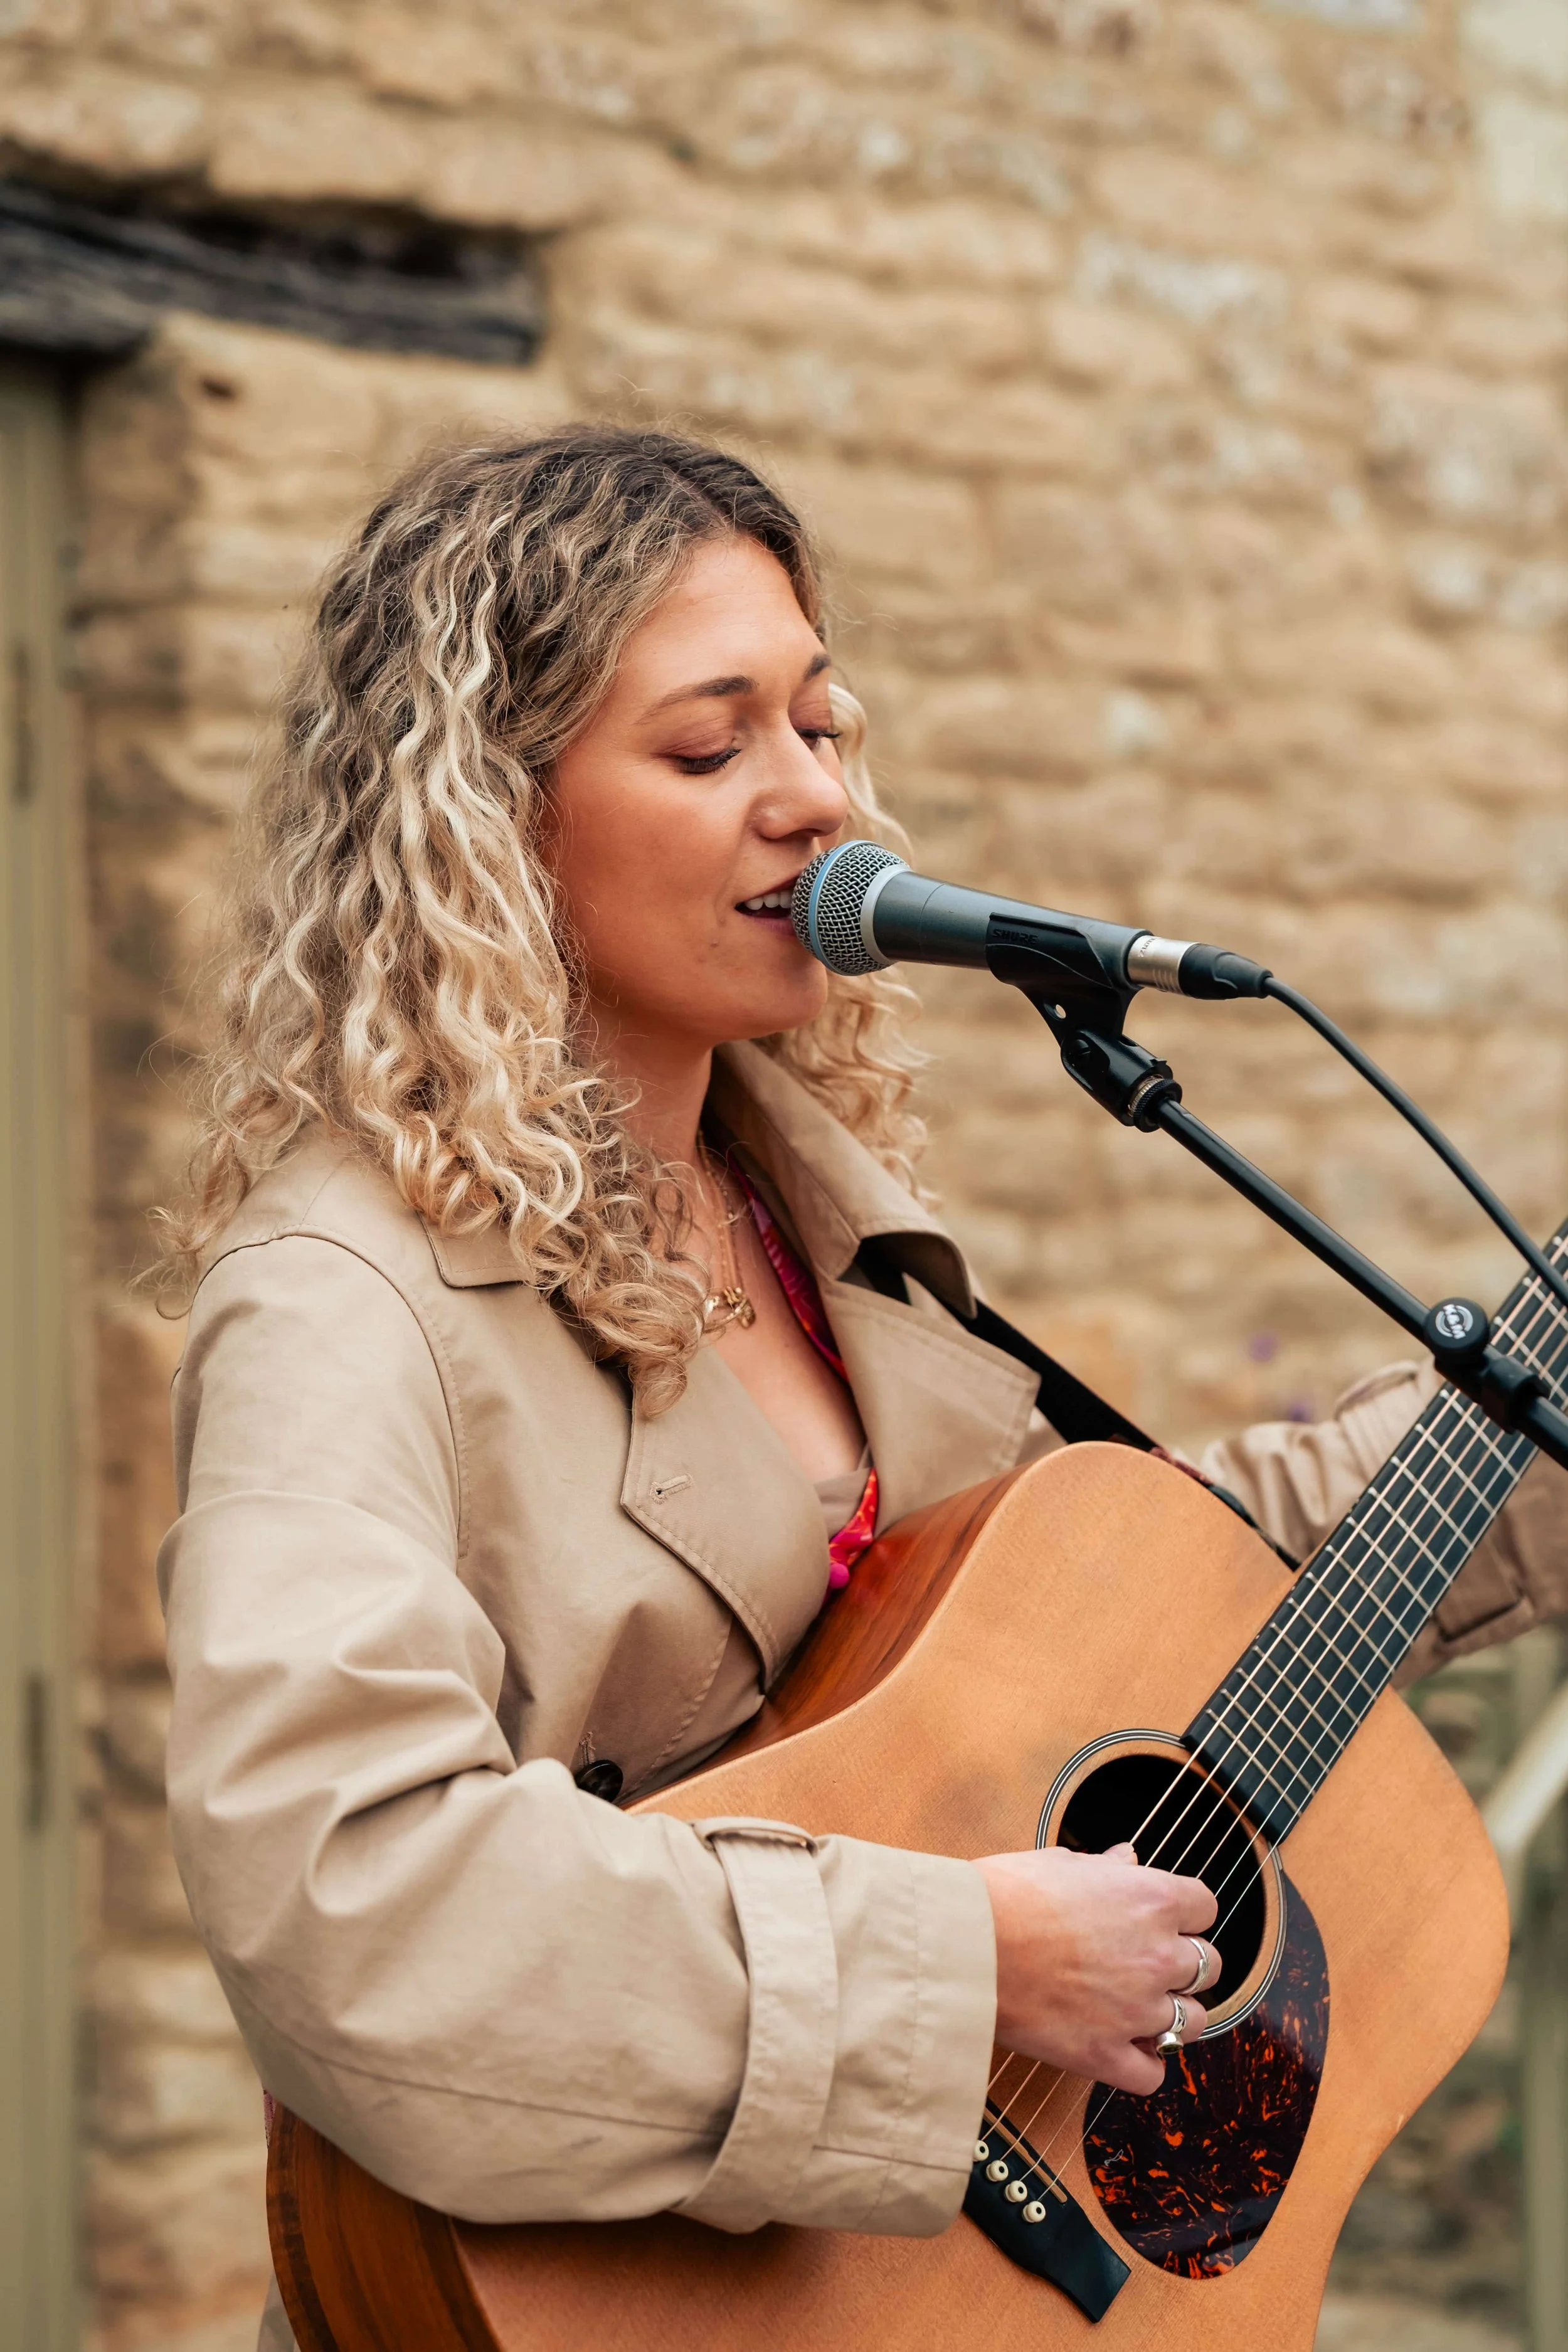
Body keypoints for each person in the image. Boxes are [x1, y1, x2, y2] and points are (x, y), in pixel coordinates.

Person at [152, 430, 1568, 2350]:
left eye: (820, 725)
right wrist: (963, 1965)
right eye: (711, 742)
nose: (816, 798)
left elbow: (1159, 1592)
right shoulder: (348, 1296)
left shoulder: (820, 1226)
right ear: (486, 818)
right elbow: (354, 1893)